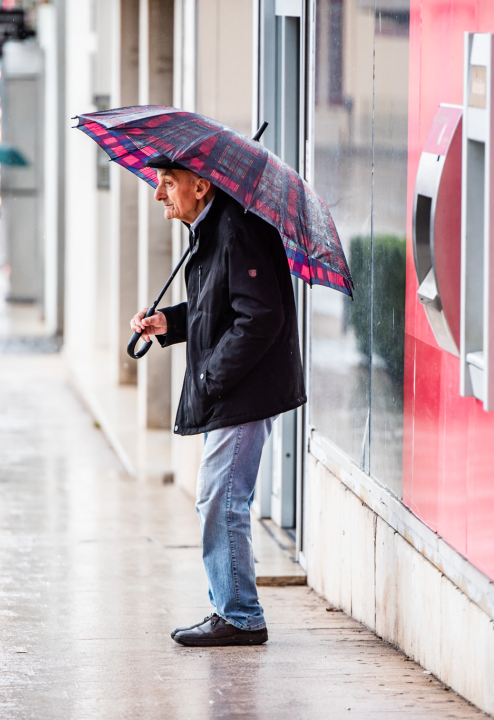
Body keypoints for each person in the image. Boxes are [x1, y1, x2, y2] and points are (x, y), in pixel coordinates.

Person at [130, 156, 306, 647]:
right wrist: (169, 322)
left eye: (168, 184)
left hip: (242, 393)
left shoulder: (235, 229)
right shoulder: (214, 230)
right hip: (232, 391)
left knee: (222, 501)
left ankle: (241, 617)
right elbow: (218, 307)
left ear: (201, 185)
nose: (161, 194)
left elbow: (260, 317)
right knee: (218, 499)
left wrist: (210, 376)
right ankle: (232, 610)